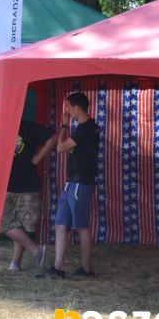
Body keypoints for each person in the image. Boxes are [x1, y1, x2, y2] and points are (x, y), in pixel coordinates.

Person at [0, 82, 57, 272]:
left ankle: (16, 263)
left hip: (27, 185)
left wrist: (38, 157)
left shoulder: (29, 128)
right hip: (6, 184)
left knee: (19, 225)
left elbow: (54, 137)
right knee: (3, 224)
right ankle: (36, 251)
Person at [43, 91, 99, 279]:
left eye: (69, 107)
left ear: (76, 108)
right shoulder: (86, 128)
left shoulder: (86, 128)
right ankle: (58, 267)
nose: (67, 111)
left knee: (81, 226)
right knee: (61, 225)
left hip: (80, 183)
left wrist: (63, 126)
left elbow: (60, 148)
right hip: (72, 184)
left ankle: (87, 268)